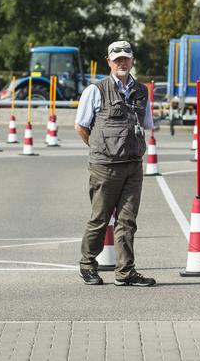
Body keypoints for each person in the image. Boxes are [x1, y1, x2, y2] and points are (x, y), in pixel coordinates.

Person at [75, 40, 155, 286]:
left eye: (126, 58)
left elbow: (147, 125)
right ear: (108, 61)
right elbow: (81, 126)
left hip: (133, 165)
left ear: (132, 61)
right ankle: (87, 265)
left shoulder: (141, 91)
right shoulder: (96, 90)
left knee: (127, 221)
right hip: (105, 166)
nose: (122, 62)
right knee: (100, 218)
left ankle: (125, 272)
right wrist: (100, 149)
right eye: (117, 58)